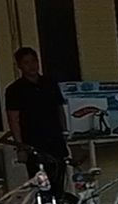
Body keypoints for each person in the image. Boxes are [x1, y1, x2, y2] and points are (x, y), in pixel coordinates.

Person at [5, 46, 70, 195]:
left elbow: (59, 109)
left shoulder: (49, 83)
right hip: (33, 144)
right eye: (26, 62)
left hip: (55, 141)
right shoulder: (15, 89)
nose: (32, 66)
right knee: (41, 187)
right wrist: (21, 147)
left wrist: (64, 131)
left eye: (34, 61)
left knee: (58, 184)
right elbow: (13, 119)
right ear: (19, 65)